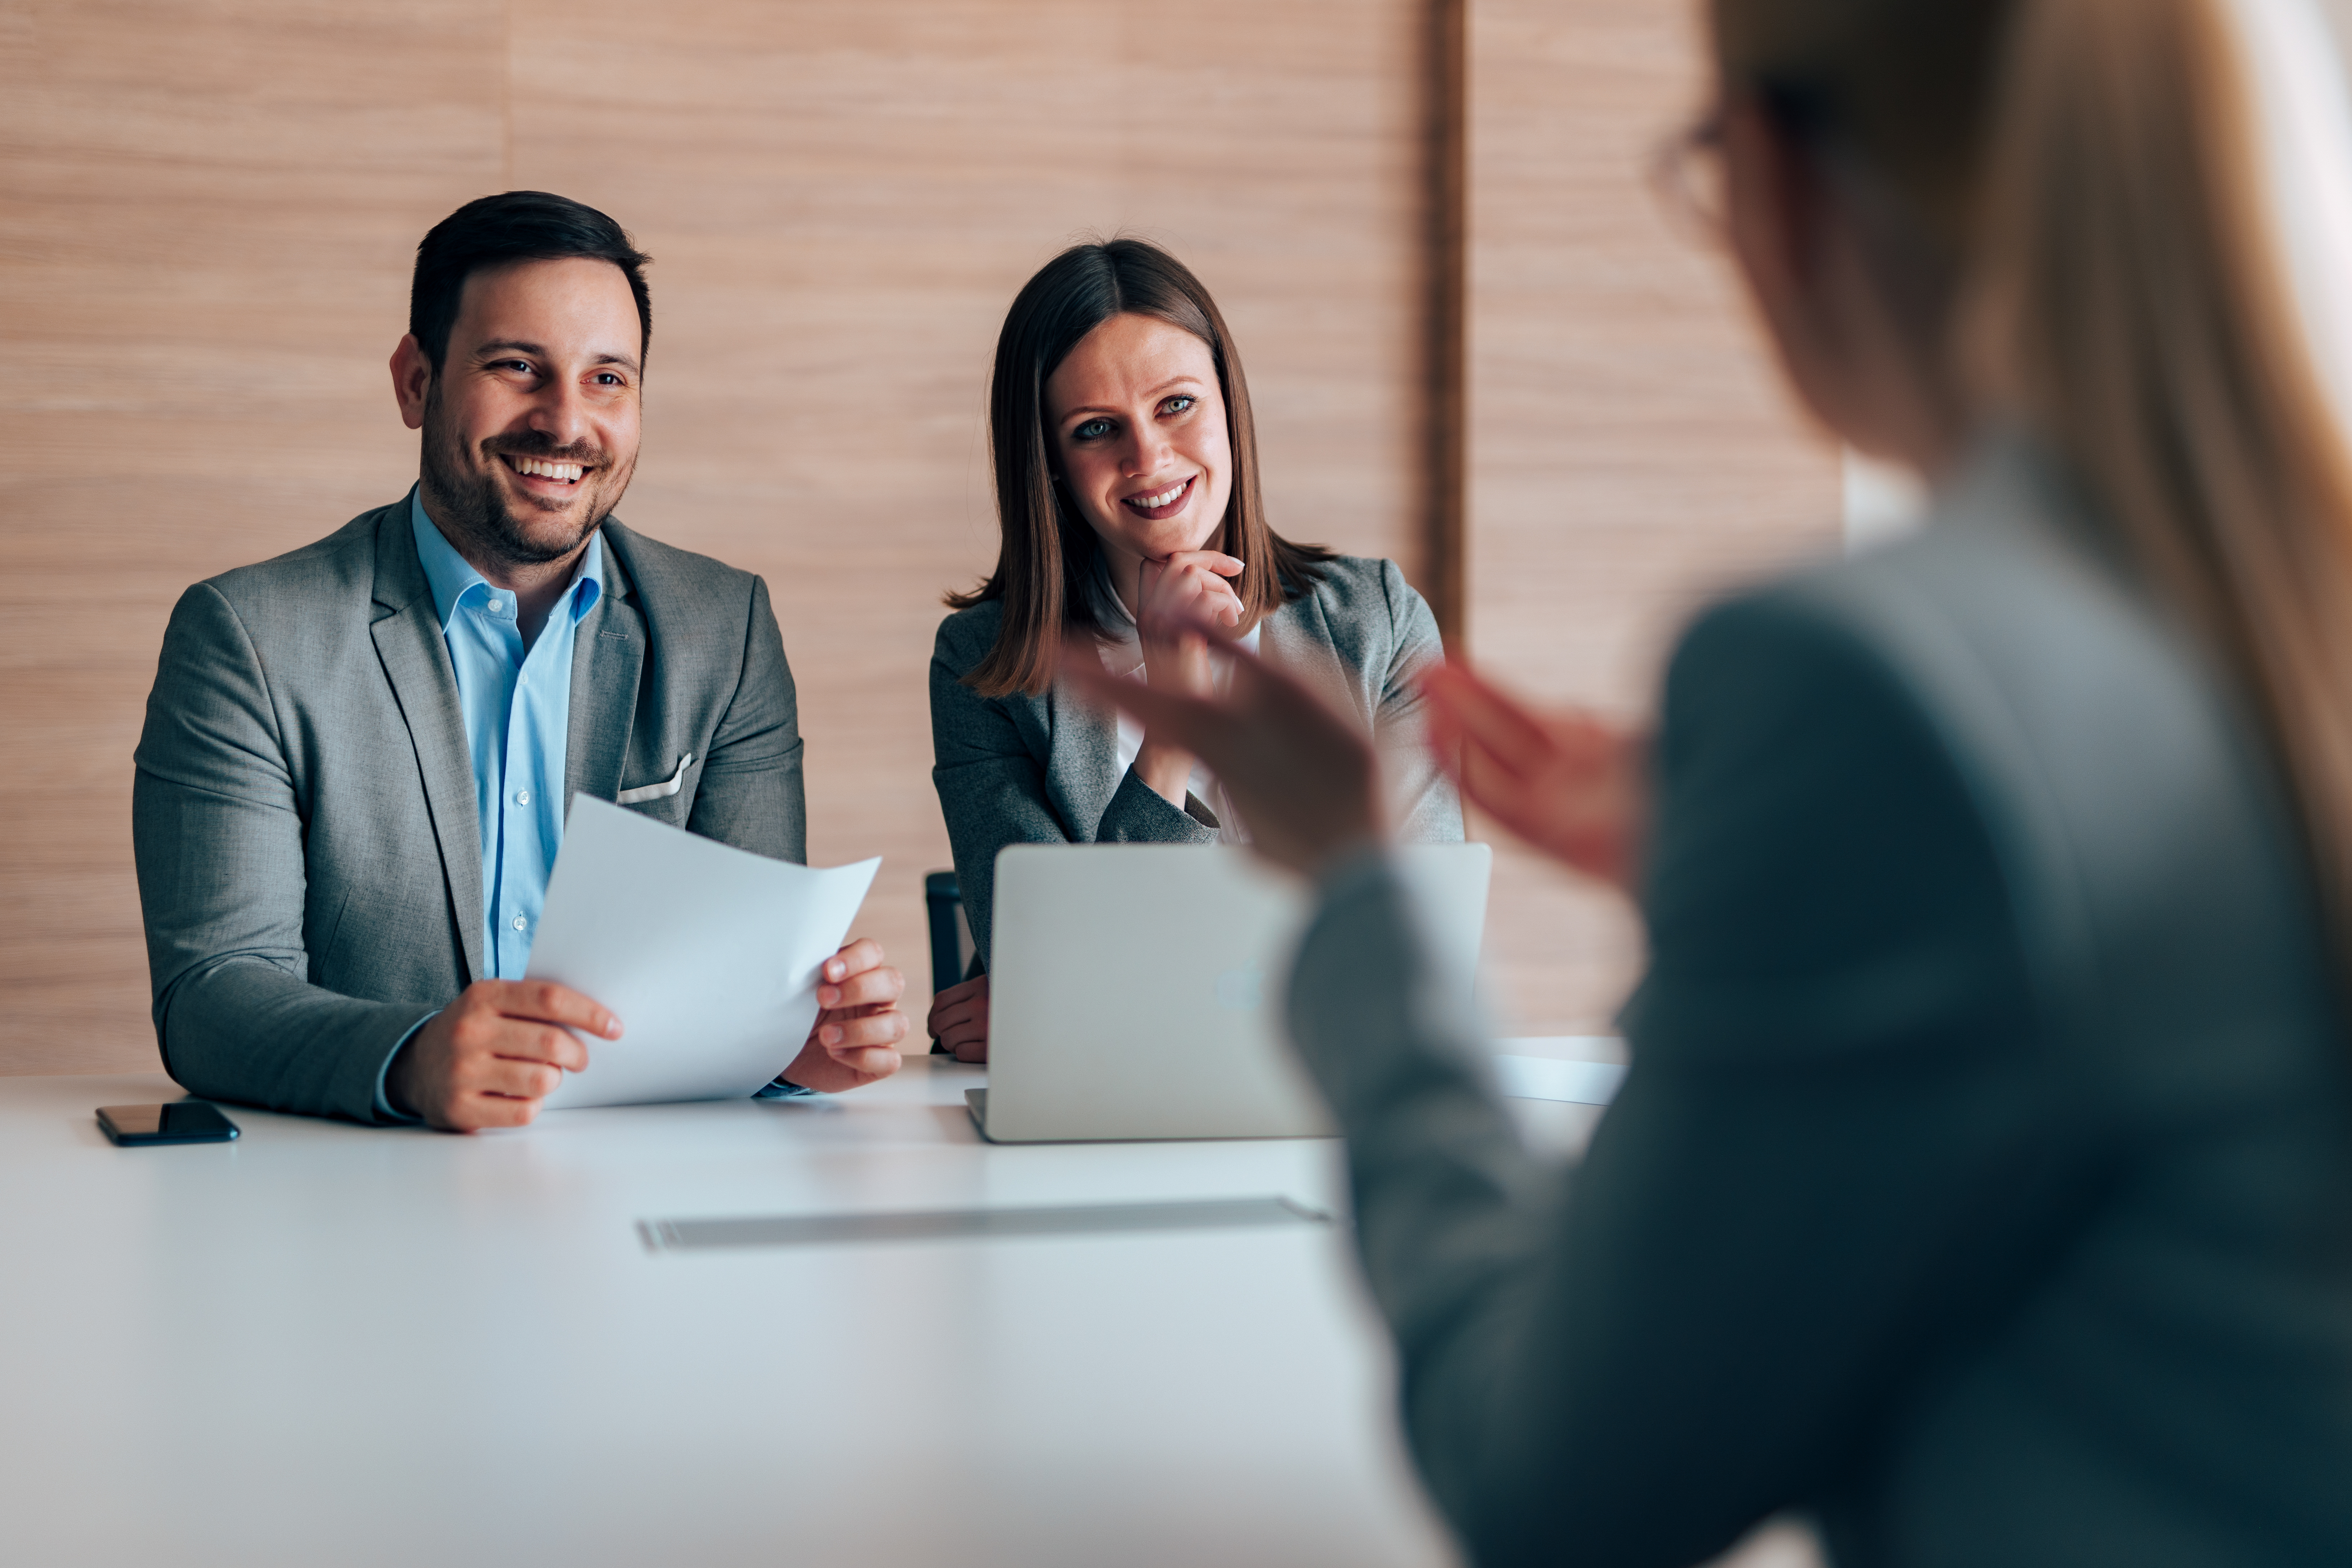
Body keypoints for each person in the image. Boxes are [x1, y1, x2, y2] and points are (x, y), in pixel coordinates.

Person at [1067, 0, 2352, 1560]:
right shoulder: (2267, 610)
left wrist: (1353, 884)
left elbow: (1555, 1479)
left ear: (1782, 186)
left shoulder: (1865, 680)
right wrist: (1736, 864)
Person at [133, 191, 908, 1132]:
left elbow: (740, 986)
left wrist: (790, 1042)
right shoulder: (250, 637)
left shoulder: (724, 627)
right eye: (517, 368)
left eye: (608, 380)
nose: (565, 423)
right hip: (362, 1191)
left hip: (644, 1188)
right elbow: (212, 998)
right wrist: (410, 1058)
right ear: (417, 382)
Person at [925, 239, 1463, 1061]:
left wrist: (1069, 1001)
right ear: (1052, 466)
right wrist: (1172, 723)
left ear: (1227, 407)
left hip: (1332, 1108)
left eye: (1176, 405)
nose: (1148, 458)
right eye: (1097, 429)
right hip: (1097, 1120)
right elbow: (1044, 968)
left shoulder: (1379, 622)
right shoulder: (984, 663)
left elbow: (1416, 948)